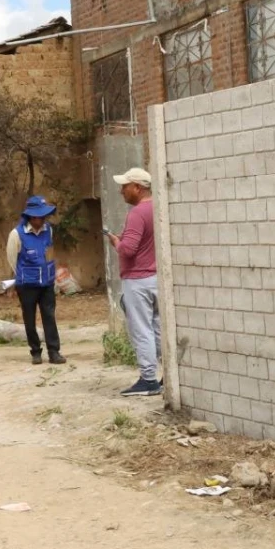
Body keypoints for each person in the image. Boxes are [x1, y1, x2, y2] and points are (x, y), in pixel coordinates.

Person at [106, 167, 160, 397]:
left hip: (138, 280)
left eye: (125, 186)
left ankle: (149, 379)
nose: (121, 191)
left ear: (137, 187)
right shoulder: (158, 208)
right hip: (157, 277)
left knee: (142, 330)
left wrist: (116, 242)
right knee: (158, 328)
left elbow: (128, 250)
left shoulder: (137, 213)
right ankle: (169, 375)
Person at [7, 195, 65, 366]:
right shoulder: (16, 234)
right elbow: (12, 259)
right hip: (27, 285)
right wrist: (23, 277)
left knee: (49, 316)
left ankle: (54, 352)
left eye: (43, 216)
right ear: (30, 217)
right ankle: (35, 352)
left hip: (46, 283)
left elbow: (49, 253)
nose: (42, 219)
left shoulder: (49, 230)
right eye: (38, 216)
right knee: (29, 319)